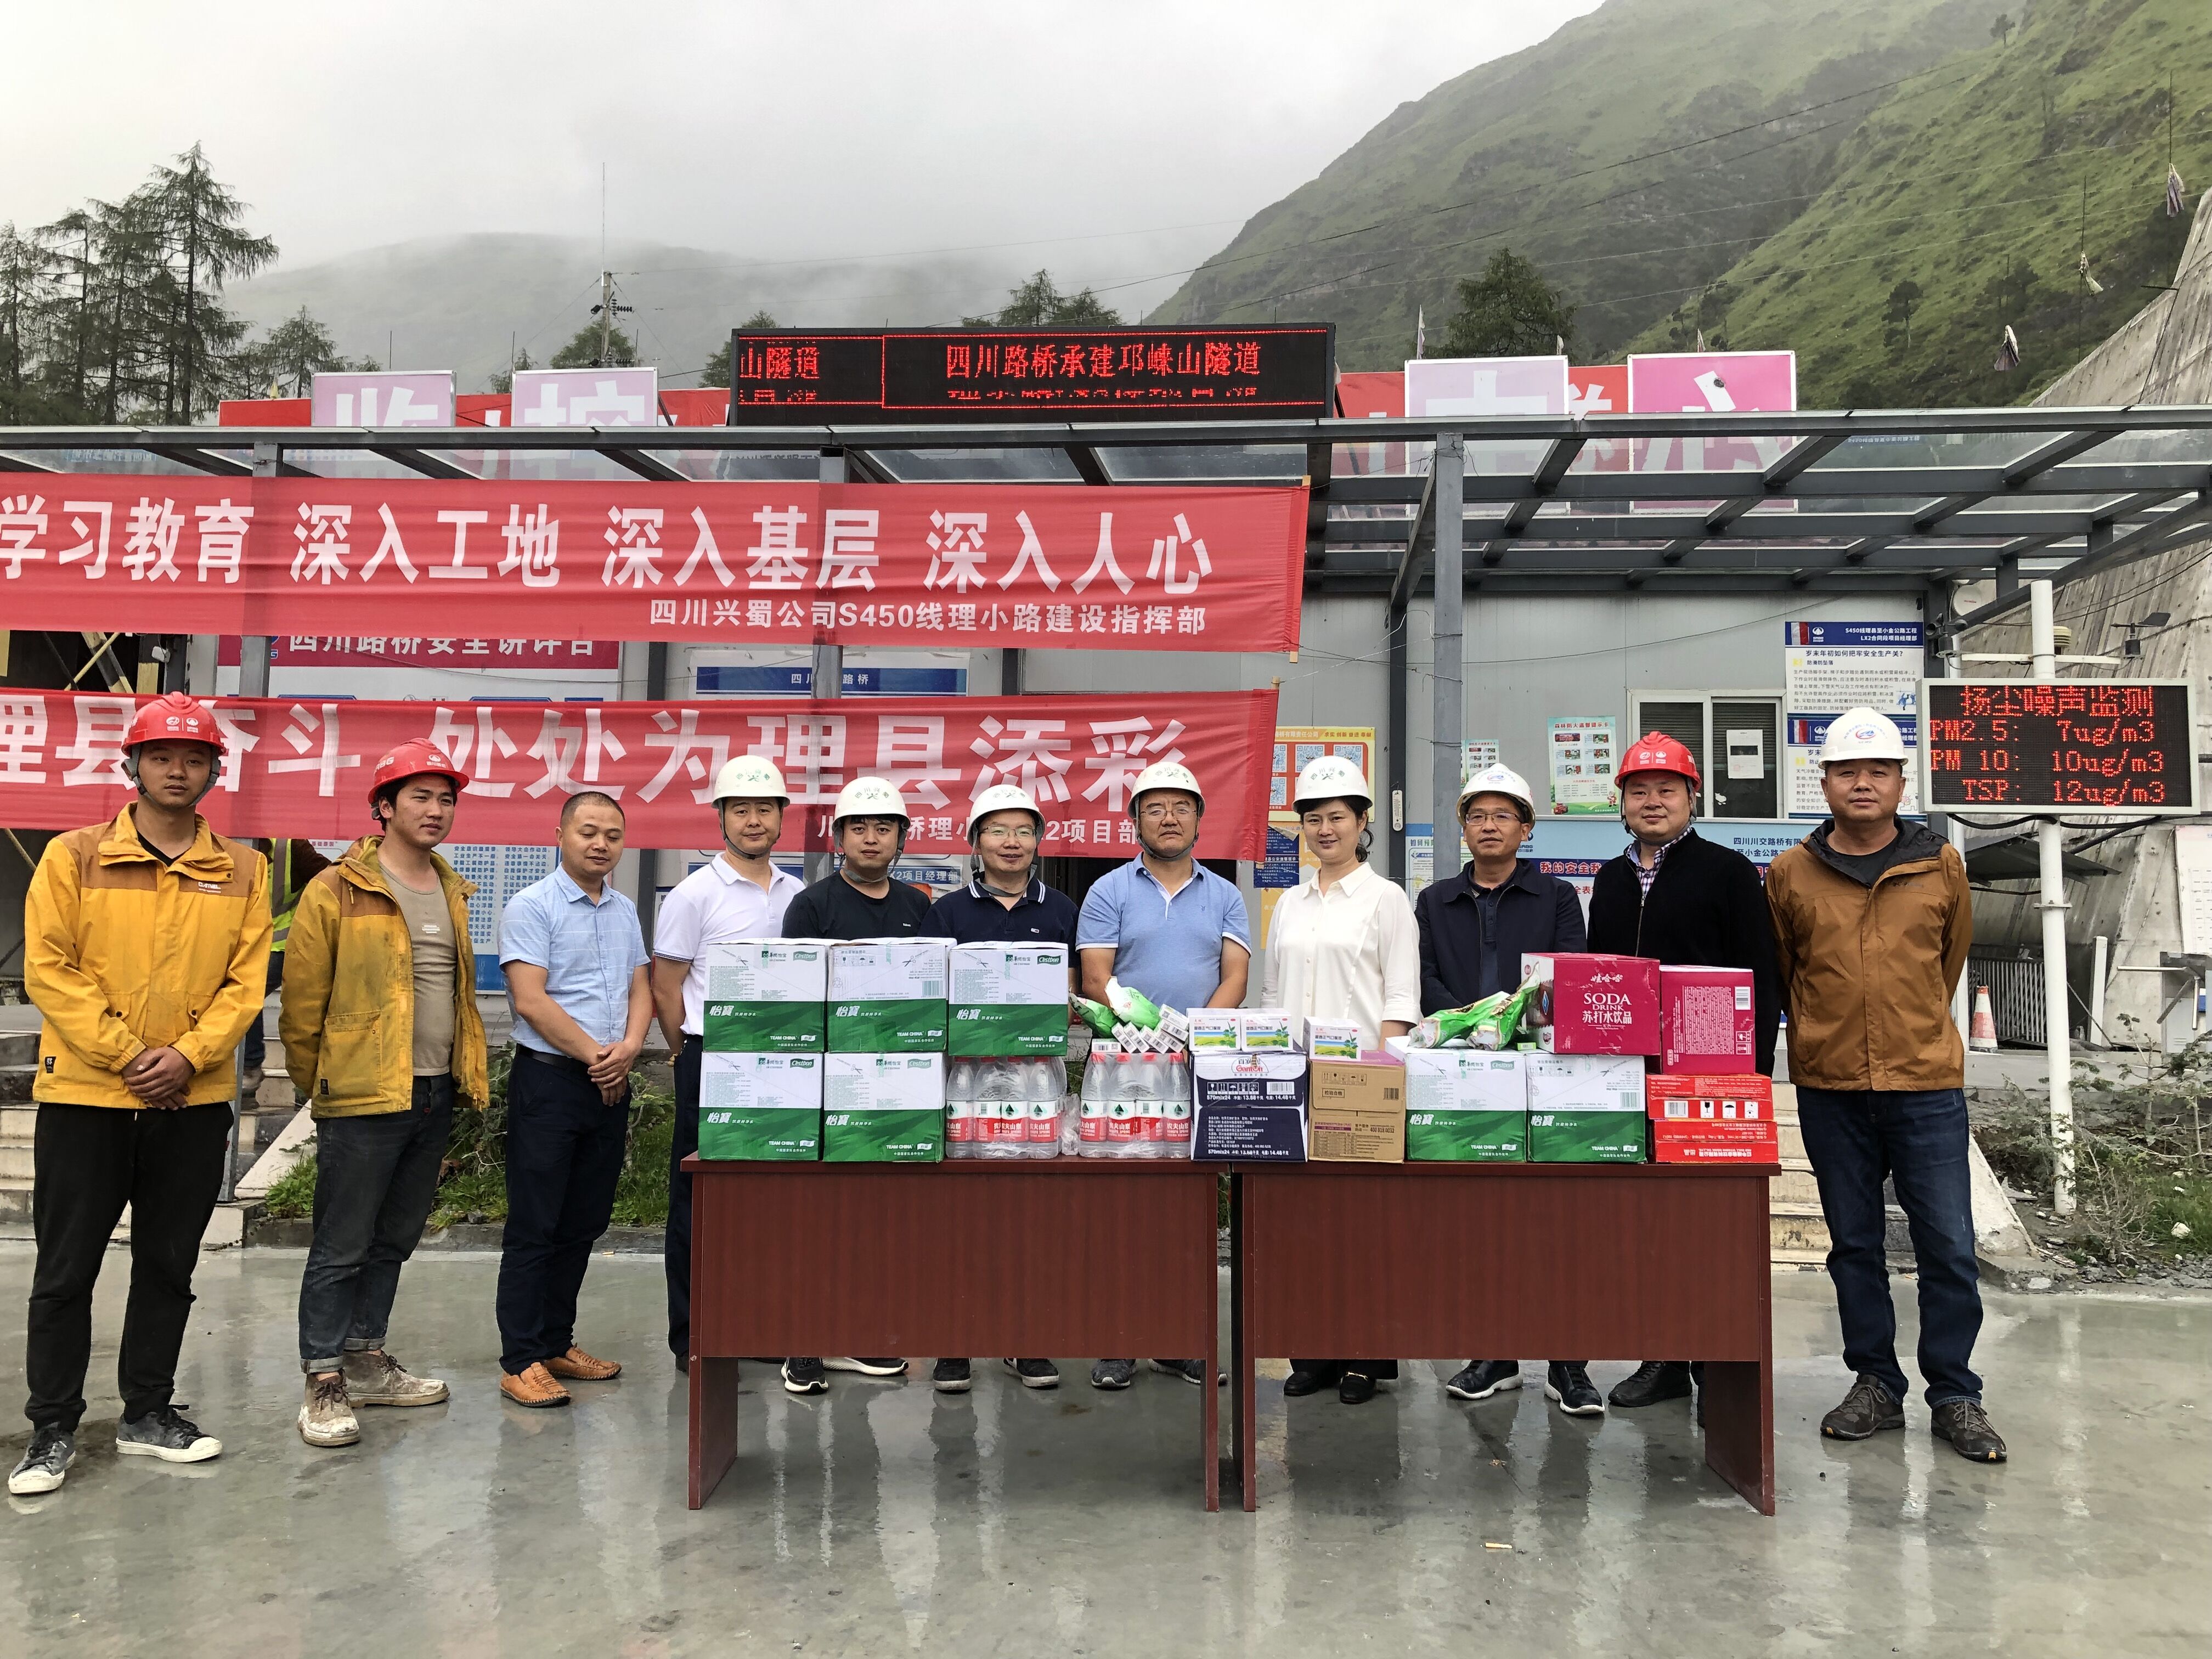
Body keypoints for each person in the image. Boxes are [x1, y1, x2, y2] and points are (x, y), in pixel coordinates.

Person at [8, 695, 270, 1497]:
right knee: (66, 1269)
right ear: (133, 765)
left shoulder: (244, 869)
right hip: (87, 1097)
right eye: (161, 756)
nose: (177, 770)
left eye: (194, 758)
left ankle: (148, 1412)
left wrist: (187, 1057)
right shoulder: (74, 856)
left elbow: (246, 982)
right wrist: (129, 1056)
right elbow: (49, 968)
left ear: (214, 771)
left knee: (167, 1264)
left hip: (190, 1102)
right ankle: (52, 1427)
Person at [1767, 708, 2002, 1464]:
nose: (1862, 784)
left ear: (1902, 783)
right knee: (1855, 1244)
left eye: (1878, 772)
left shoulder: (1942, 865)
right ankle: (1875, 1382)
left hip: (1925, 1083)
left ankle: (1956, 1393)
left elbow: (1949, 961)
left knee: (1949, 1245)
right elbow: (1787, 972)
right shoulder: (1791, 873)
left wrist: (1910, 1029)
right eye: (1846, 771)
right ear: (1825, 783)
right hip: (1831, 1086)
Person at [283, 739, 489, 1450]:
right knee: (341, 1243)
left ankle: (366, 1359)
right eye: (420, 797)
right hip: (362, 1096)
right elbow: (302, 1005)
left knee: (395, 1238)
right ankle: (323, 1379)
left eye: (446, 799)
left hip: (432, 1092)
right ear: (384, 807)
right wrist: (323, 1083)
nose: (436, 810)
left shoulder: (450, 889)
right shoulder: (336, 889)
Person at [1582, 733, 1780, 1416]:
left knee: (1711, 1224)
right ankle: (1663, 1357)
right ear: (1623, 804)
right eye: (1639, 791)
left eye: (1667, 790)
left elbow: (1762, 976)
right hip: (1628, 1079)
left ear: (1693, 798)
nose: (1653, 802)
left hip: (1710, 1079)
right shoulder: (1609, 880)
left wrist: (1755, 1076)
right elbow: (1598, 979)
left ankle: (1717, 1354)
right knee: (1649, 1225)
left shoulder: (1729, 872)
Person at [1414, 763, 1600, 1417]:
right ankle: (1493, 1353)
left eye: (1502, 816)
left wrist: (1515, 1021)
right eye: (1477, 816)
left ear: (1526, 828)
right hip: (1466, 1073)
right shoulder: (1434, 900)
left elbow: (1568, 976)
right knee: (1480, 1220)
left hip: (1545, 1074)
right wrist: (1473, 1025)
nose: (1488, 826)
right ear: (1463, 829)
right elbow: (1424, 979)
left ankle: (1568, 1362)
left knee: (1557, 1220)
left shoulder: (1556, 897)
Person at [1077, 760, 1249, 1393]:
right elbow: (1097, 979)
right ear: (1135, 821)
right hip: (1122, 1067)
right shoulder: (1108, 891)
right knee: (1120, 1209)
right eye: (1155, 808)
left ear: (1200, 820)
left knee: (1190, 1211)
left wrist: (1194, 1034)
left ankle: (1182, 1340)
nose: (1169, 818)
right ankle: (1117, 1340)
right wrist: (1146, 1031)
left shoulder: (1225, 895)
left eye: (1181, 807)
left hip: (1195, 1068)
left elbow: (1235, 977)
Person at [1267, 754, 1420, 1406]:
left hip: (1361, 1084)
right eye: (1313, 819)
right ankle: (1312, 1353)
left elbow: (1401, 999)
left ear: (1362, 822)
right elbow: (1273, 994)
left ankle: (1365, 1356)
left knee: (1365, 1227)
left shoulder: (1387, 900)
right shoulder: (1289, 903)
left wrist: (1383, 1087)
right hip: (1297, 1083)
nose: (1324, 830)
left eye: (1337, 817)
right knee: (1302, 1225)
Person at [493, 791, 653, 1409]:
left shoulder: (623, 910)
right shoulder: (532, 906)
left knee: (584, 1220)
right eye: (588, 831)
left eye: (613, 835)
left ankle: (556, 1342)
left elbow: (640, 987)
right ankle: (520, 1359)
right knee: (536, 1223)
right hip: (552, 1082)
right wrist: (598, 1057)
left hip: (608, 1081)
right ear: (559, 834)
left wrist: (630, 1049)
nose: (601, 844)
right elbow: (531, 1000)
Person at [650, 755, 805, 1383]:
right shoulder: (694, 895)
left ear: (782, 818)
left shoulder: (796, 895)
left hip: (783, 1064)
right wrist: (684, 1051)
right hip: (711, 1058)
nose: (753, 820)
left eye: (764, 809)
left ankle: (755, 1325)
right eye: (740, 810)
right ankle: (693, 1334)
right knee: (699, 1198)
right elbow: (667, 986)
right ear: (721, 817)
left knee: (767, 1199)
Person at [774, 776, 927, 1392]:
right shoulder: (812, 906)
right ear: (839, 837)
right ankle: (804, 1341)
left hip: (901, 1084)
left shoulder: (919, 906)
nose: (871, 838)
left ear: (900, 838)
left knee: (876, 1218)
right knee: (817, 1215)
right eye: (858, 827)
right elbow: (794, 997)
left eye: (883, 828)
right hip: (825, 1084)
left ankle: (860, 1334)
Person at [923, 783, 1077, 1395]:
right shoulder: (948, 913)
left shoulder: (1061, 910)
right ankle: (954, 1345)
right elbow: (930, 993)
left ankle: (1026, 1338)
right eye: (997, 831)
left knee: (1032, 1216)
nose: (1011, 843)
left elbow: (1071, 995)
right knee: (960, 1217)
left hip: (1037, 1083)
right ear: (975, 841)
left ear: (1038, 842)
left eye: (1023, 831)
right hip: (967, 1083)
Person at [236, 837, 333, 1099]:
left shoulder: (291, 847)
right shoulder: (226, 843)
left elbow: (332, 882)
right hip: (240, 943)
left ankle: (250, 1066)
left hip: (279, 943)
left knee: (247, 990)